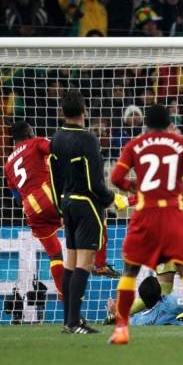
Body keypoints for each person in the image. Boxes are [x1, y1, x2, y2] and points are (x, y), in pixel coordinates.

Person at [108, 103, 183, 344]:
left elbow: (116, 177)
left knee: (130, 271)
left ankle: (121, 328)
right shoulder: (180, 145)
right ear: (168, 123)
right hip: (173, 215)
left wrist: (131, 189)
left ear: (146, 124)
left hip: (145, 215)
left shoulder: (134, 145)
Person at [48, 90, 129, 334]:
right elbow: (95, 183)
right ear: (85, 110)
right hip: (87, 205)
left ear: (62, 111)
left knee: (71, 262)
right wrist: (113, 199)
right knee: (85, 262)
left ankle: (69, 320)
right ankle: (73, 323)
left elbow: (54, 179)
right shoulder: (88, 140)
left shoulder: (56, 139)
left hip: (67, 204)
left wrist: (60, 208)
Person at [4, 121, 65, 307]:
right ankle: (95, 261)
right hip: (50, 196)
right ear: (30, 133)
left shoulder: (8, 165)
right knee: (88, 215)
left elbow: (17, 198)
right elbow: (58, 150)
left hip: (31, 209)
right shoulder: (36, 142)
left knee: (55, 256)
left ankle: (68, 305)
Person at [106, 277, 183, 326]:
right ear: (160, 293)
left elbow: (126, 322)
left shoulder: (138, 320)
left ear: (141, 298)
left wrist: (116, 313)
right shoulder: (169, 302)